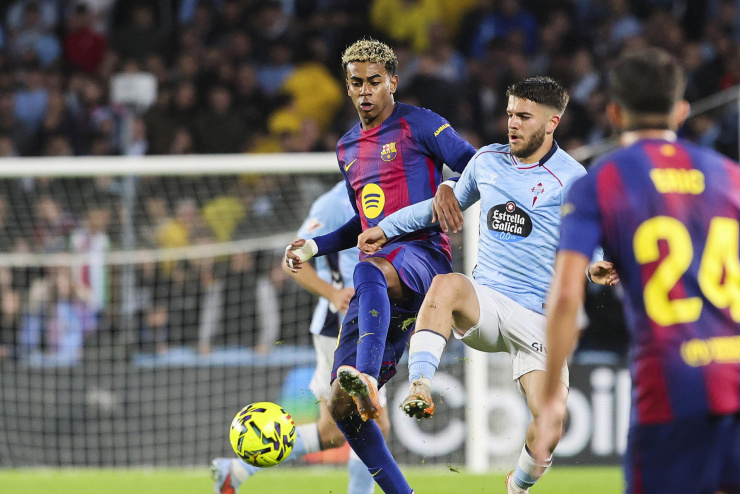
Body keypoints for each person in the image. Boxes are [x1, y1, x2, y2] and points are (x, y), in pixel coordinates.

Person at [533, 48, 740, 494]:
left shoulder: (602, 180)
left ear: (613, 112)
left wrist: (551, 397)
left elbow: (567, 294)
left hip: (672, 376)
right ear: (682, 111)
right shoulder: (732, 174)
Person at [357, 76, 614, 494]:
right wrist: (386, 229)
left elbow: (592, 236)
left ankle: (517, 487)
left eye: (524, 117)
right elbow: (442, 205)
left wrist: (597, 265)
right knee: (446, 285)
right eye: (510, 114)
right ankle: (420, 384)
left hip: (539, 319)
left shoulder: (572, 177)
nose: (512, 123)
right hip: (488, 301)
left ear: (553, 122)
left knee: (549, 428)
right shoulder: (487, 161)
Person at [285, 38, 475, 494]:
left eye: (374, 81)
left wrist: (450, 187)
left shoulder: (420, 124)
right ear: (347, 89)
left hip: (424, 257)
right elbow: (363, 222)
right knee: (342, 410)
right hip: (385, 282)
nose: (366, 90)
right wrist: (317, 245)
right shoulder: (347, 147)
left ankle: (367, 376)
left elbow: (478, 165)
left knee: (367, 267)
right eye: (356, 83)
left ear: (392, 81)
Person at [212, 181, 389, 494]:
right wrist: (334, 293)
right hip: (344, 325)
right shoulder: (334, 203)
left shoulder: (387, 190)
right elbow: (291, 259)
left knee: (335, 430)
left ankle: (238, 469)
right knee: (372, 423)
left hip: (365, 320)